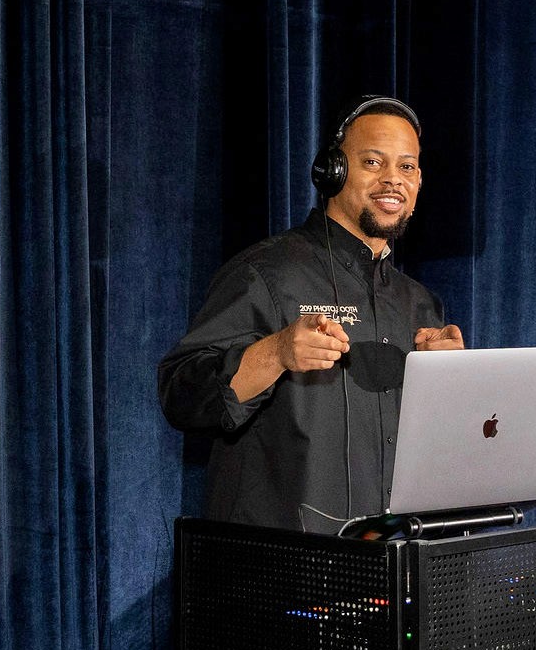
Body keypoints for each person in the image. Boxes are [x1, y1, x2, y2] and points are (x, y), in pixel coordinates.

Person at [159, 96, 465, 533]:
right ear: (332, 171)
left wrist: (448, 387)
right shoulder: (266, 272)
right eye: (373, 162)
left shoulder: (420, 303)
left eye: (407, 167)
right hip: (279, 558)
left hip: (385, 556)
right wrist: (277, 352)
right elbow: (181, 396)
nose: (393, 180)